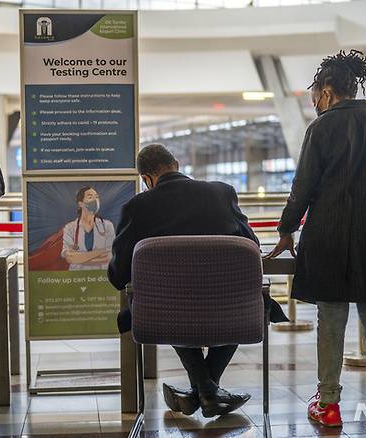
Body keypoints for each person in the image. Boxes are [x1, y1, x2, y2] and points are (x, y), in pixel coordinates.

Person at [265, 50, 366, 431]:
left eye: (314, 94)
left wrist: (286, 228)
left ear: (328, 91)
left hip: (329, 234)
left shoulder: (322, 127)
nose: (313, 102)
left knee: (330, 317)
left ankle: (328, 403)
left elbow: (303, 188)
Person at [108, 144, 285, 418]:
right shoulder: (222, 192)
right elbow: (251, 245)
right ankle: (207, 391)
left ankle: (202, 389)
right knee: (240, 299)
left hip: (165, 314)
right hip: (232, 309)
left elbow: (119, 276)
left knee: (170, 296)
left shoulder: (137, 207)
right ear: (176, 164)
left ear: (146, 180)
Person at [62, 186, 115, 270]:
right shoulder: (70, 228)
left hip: (101, 278)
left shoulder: (107, 226)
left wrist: (79, 258)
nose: (95, 200)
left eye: (97, 197)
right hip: (75, 279)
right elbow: (70, 258)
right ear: (81, 203)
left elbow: (109, 256)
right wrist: (100, 252)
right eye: (90, 197)